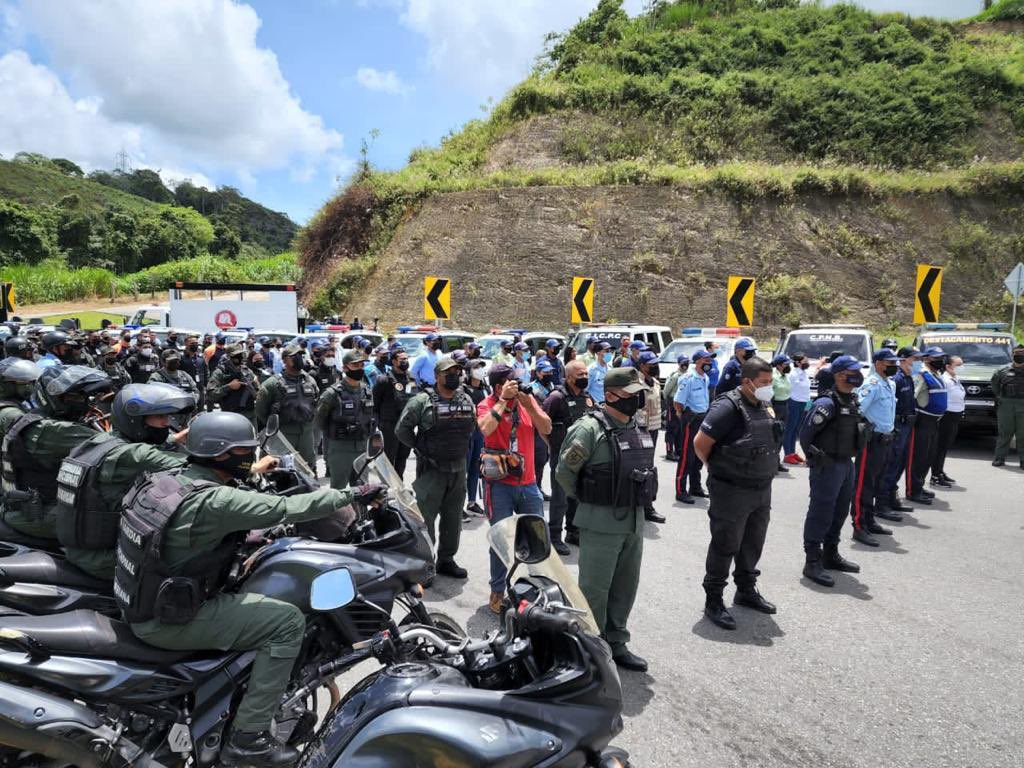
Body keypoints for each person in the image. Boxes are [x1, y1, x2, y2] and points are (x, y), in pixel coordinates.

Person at [115, 411, 385, 768]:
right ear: (223, 454)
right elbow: (288, 507)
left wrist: (254, 534)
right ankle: (249, 738)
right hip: (168, 620)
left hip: (144, 601)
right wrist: (354, 493)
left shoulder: (173, 479)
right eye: (245, 451)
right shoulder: (217, 501)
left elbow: (196, 535)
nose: (251, 457)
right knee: (286, 622)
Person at [555, 367, 654, 671]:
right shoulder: (589, 429)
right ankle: (589, 650)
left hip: (633, 521)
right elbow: (564, 473)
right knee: (595, 590)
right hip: (600, 521)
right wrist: (591, 498)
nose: (638, 398)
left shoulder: (636, 425)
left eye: (639, 392)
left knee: (626, 586)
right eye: (631, 393)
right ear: (610, 395)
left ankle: (616, 641)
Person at [57, 383, 194, 579]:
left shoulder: (102, 441)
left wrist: (173, 440)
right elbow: (192, 468)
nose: (167, 422)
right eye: (160, 416)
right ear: (136, 421)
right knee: (193, 564)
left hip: (82, 548)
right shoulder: (132, 454)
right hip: (105, 558)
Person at [693, 356, 778, 630]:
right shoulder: (727, 407)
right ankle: (714, 600)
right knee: (725, 544)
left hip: (761, 488)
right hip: (732, 490)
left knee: (753, 542)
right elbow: (700, 443)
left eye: (770, 382)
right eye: (764, 383)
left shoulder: (763, 403)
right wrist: (719, 469)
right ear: (747, 382)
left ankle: (745, 590)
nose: (768, 387)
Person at [0, 365, 112, 540]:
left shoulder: (36, 417)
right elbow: (118, 448)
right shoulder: (50, 431)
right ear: (53, 397)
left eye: (85, 396)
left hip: (30, 507)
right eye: (75, 396)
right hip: (38, 516)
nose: (84, 401)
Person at [477, 364, 552, 614]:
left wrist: (529, 404)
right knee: (500, 540)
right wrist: (502, 401)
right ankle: (497, 591)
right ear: (499, 386)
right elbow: (485, 428)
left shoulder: (526, 403)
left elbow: (546, 428)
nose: (517, 386)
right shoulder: (487, 403)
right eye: (512, 383)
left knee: (537, 539)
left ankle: (541, 589)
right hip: (499, 485)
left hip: (528, 484)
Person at [396, 356, 476, 579]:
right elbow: (401, 430)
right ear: (437, 376)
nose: (454, 376)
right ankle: (425, 565)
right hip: (431, 470)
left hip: (458, 470)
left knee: (453, 520)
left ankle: (446, 560)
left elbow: (471, 428)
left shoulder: (466, 399)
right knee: (426, 521)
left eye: (457, 372)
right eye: (448, 372)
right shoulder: (421, 401)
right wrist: (420, 448)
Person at [799, 355, 865, 588]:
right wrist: (815, 459)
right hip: (827, 465)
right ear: (838, 375)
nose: (857, 375)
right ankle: (812, 560)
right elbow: (806, 434)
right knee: (821, 512)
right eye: (852, 371)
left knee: (840, 510)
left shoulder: (851, 399)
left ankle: (831, 553)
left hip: (846, 463)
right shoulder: (826, 404)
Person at [849, 349, 899, 547]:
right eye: (889, 362)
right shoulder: (871, 384)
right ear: (878, 363)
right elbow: (858, 410)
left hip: (886, 439)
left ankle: (869, 520)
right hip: (872, 442)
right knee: (864, 485)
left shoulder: (888, 383)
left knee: (876, 482)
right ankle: (859, 526)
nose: (893, 366)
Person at [544, 360, 593, 553]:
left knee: (577, 496)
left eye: (586, 374)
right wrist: (551, 446)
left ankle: (573, 532)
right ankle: (554, 536)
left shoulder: (587, 397)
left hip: (582, 455)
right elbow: (542, 424)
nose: (585, 378)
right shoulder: (556, 397)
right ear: (569, 377)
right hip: (562, 456)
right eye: (580, 375)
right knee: (560, 498)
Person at [255, 343, 319, 469]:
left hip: (306, 434)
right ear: (285, 360)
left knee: (308, 470)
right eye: (294, 356)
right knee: (279, 470)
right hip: (283, 435)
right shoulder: (272, 384)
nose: (299, 358)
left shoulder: (310, 381)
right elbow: (261, 411)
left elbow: (315, 404)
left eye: (300, 355)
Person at [317, 349, 375, 488]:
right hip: (340, 449)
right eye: (355, 366)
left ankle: (360, 511)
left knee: (362, 491)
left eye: (361, 365)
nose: (359, 369)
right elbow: (320, 421)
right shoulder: (332, 393)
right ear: (344, 368)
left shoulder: (367, 391)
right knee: (339, 491)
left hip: (361, 448)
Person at [876, 347, 920, 516]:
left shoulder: (908, 377)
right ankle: (882, 503)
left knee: (900, 464)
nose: (918, 363)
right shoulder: (897, 379)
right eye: (915, 359)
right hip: (897, 425)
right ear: (904, 359)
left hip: (907, 426)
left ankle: (892, 499)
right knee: (890, 465)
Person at [906, 346, 947, 504]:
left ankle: (919, 486)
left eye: (941, 357)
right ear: (927, 358)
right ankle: (913, 491)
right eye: (936, 358)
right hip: (922, 421)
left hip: (933, 422)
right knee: (918, 458)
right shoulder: (921, 374)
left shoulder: (935, 373)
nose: (940, 360)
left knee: (928, 456)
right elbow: (912, 396)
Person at [674, 350, 712, 505]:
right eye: (706, 360)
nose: (709, 363)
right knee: (687, 457)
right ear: (697, 361)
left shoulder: (705, 378)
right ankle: (680, 490)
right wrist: (683, 416)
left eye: (710, 360)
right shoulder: (688, 378)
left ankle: (695, 487)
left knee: (698, 456)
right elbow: (678, 402)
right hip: (691, 420)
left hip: (703, 418)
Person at [372, 348, 416, 479]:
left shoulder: (411, 378)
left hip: (407, 425)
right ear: (394, 361)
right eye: (402, 359)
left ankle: (399, 484)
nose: (405, 361)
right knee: (389, 457)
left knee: (403, 456)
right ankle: (387, 486)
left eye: (406, 359)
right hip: (390, 425)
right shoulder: (384, 380)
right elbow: (375, 403)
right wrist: (377, 424)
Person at [633, 350, 663, 522]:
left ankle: (647, 504)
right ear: (642, 366)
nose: (655, 367)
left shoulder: (656, 383)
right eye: (651, 364)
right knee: (641, 467)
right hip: (640, 430)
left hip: (653, 429)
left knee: (650, 467)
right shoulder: (636, 383)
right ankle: (642, 506)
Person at [929, 354, 965, 486]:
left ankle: (940, 471)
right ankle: (935, 475)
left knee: (945, 446)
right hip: (946, 416)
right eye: (958, 365)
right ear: (948, 367)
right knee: (940, 446)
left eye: (962, 364)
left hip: (955, 416)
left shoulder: (955, 378)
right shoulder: (945, 380)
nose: (962, 367)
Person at [462, 358, 490, 519]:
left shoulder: (485, 388)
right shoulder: (463, 389)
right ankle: (458, 506)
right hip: (467, 433)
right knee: (463, 470)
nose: (480, 370)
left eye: (481, 367)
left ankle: (472, 503)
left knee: (475, 468)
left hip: (481, 433)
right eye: (476, 367)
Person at [207, 344, 259, 424]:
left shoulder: (246, 370)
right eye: (236, 355)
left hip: (250, 415)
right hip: (231, 417)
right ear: (228, 357)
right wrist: (228, 387)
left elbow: (257, 391)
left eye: (241, 354)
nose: (240, 357)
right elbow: (210, 395)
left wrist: (256, 385)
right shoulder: (220, 372)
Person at [991, 343, 1024, 469]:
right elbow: (994, 384)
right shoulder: (1002, 370)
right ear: (1012, 355)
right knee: (1005, 433)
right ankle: (999, 458)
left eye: (1022, 353)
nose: (1019, 355)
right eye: (1017, 353)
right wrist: (1000, 396)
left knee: (1023, 434)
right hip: (1006, 405)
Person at [530, 358, 557, 500]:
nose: (549, 374)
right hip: (536, 429)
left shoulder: (552, 386)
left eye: (551, 371)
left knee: (545, 459)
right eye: (546, 372)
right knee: (538, 459)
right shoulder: (532, 388)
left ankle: (538, 487)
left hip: (551, 426)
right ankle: (535, 489)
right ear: (539, 373)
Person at [782, 354, 811, 465]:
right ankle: (787, 454)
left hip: (803, 403)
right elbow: (788, 389)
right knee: (790, 429)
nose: (807, 362)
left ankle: (792, 452)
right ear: (798, 362)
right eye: (805, 361)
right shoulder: (793, 374)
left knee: (796, 430)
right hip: (793, 402)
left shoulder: (804, 373)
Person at [662, 354, 689, 461]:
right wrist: (668, 404)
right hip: (673, 404)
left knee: (680, 429)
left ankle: (679, 450)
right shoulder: (675, 376)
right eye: (683, 362)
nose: (685, 365)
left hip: (683, 405)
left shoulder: (689, 375)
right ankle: (669, 451)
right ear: (679, 363)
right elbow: (665, 391)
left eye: (687, 362)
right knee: (672, 429)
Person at [769, 354, 793, 473]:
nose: (788, 366)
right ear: (778, 365)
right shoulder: (773, 376)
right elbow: (769, 393)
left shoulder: (785, 376)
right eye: (785, 364)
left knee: (781, 436)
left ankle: (776, 463)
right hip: (775, 406)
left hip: (785, 406)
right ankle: (771, 464)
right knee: (774, 436)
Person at [180, 335, 210, 410]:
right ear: (186, 344)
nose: (195, 345)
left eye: (196, 343)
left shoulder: (200, 359)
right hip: (187, 390)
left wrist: (207, 387)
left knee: (200, 411)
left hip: (200, 389)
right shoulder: (181, 358)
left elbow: (206, 373)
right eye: (192, 343)